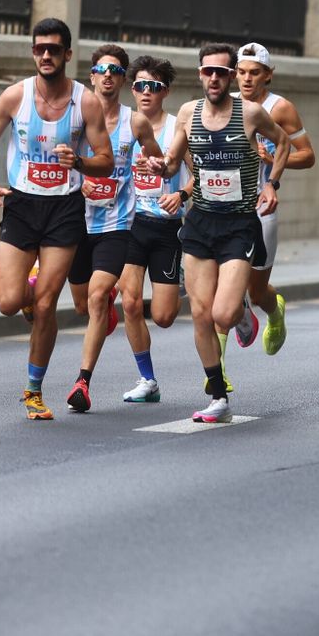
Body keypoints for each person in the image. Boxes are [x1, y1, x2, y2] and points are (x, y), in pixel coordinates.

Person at [0, 19, 113, 421]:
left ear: (68, 54)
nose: (46, 55)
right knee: (9, 303)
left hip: (64, 209)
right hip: (21, 205)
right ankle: (30, 289)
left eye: (54, 49)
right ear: (34, 53)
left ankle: (33, 391)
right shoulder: (14, 97)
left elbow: (105, 162)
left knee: (48, 304)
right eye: (40, 49)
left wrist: (81, 161)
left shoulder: (84, 103)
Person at [147, 43, 290, 423]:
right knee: (200, 314)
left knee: (222, 315)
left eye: (221, 73)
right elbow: (174, 161)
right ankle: (218, 397)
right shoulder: (188, 113)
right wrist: (160, 168)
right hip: (200, 222)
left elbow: (285, 142)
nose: (214, 78)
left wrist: (272, 183)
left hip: (240, 224)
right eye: (207, 71)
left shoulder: (251, 113)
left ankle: (241, 308)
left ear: (230, 78)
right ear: (200, 74)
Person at [65, 46, 162, 413]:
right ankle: (103, 313)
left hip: (117, 223)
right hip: (76, 222)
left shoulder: (134, 122)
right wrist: (80, 176)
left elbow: (159, 159)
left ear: (123, 79)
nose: (107, 75)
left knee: (96, 294)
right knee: (82, 304)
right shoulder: (73, 117)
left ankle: (82, 382)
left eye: (116, 70)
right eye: (101, 69)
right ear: (91, 76)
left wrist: (162, 169)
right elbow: (53, 159)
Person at [232, 42, 316, 356]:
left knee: (256, 290)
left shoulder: (280, 108)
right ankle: (217, 378)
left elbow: (307, 156)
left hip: (263, 205)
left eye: (255, 73)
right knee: (224, 282)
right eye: (241, 72)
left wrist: (271, 162)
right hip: (228, 207)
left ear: (268, 75)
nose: (247, 79)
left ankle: (274, 311)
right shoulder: (224, 104)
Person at [119, 56, 191, 404]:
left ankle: (184, 277)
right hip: (130, 225)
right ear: (131, 89)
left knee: (163, 317)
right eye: (140, 86)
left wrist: (181, 194)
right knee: (130, 303)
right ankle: (147, 379)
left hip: (166, 228)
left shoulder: (179, 127)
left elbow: (200, 175)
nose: (146, 93)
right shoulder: (120, 124)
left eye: (154, 87)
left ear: (166, 91)